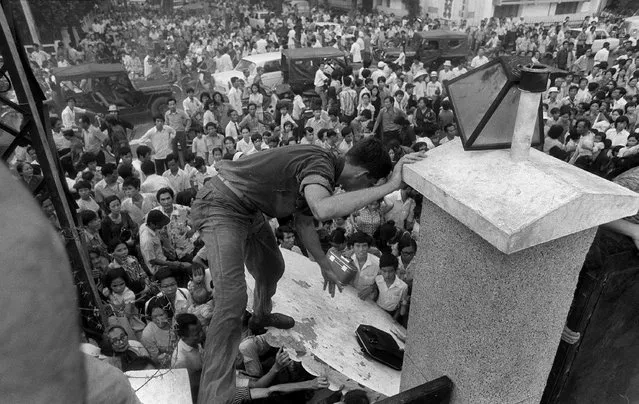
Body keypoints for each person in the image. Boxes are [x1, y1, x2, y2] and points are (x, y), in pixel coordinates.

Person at [191, 138, 424, 403]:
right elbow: (322, 208)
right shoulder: (321, 163)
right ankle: (213, 395)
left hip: (249, 210)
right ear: (364, 175)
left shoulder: (322, 175)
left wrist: (325, 265)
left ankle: (260, 316)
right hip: (221, 205)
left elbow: (304, 224)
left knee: (273, 267)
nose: (366, 192)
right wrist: (390, 186)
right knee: (231, 299)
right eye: (370, 185)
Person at [141, 301, 176, 368]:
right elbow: (154, 359)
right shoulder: (148, 333)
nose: (159, 319)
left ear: (167, 313)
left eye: (161, 315)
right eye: (155, 316)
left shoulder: (176, 323)